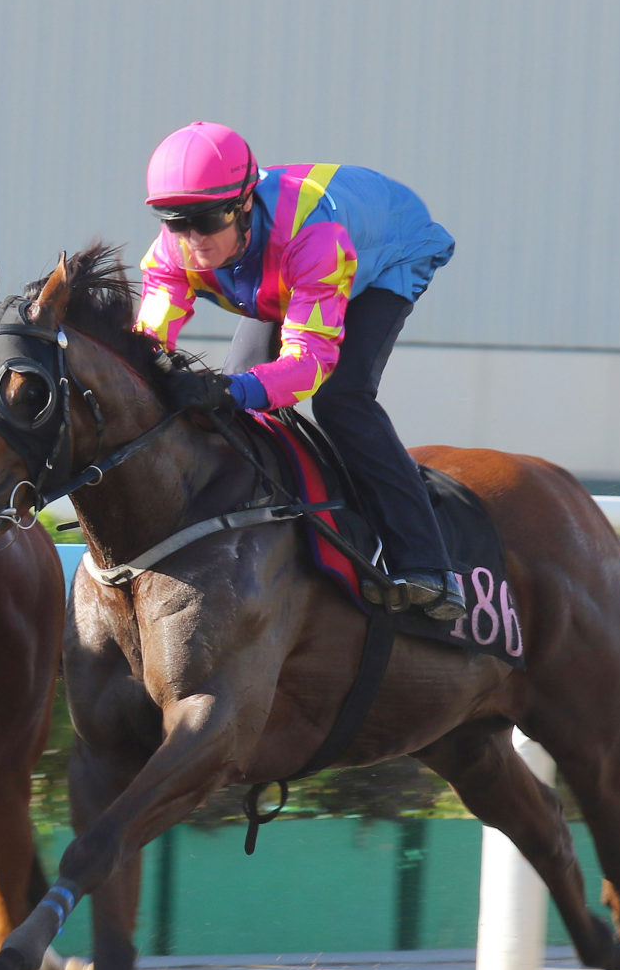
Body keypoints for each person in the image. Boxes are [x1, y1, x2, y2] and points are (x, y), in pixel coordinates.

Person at [135, 121, 464, 621]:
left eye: (207, 220)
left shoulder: (314, 238)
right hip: (281, 272)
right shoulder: (171, 252)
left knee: (339, 399)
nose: (193, 240)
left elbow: (308, 365)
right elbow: (148, 347)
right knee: (238, 392)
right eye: (175, 222)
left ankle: (426, 565)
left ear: (243, 204)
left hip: (385, 253)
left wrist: (232, 390)